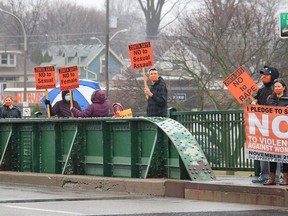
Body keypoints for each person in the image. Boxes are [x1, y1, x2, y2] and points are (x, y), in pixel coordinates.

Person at [251, 66, 281, 184]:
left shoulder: (276, 90)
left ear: (272, 77)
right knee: (262, 151)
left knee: (275, 152)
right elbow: (255, 101)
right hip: (262, 125)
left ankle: (276, 176)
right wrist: (253, 102)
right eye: (263, 75)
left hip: (274, 126)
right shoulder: (261, 90)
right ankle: (264, 176)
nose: (263, 77)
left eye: (266, 75)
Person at [264, 79, 288, 185]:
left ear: (284, 87)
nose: (276, 88)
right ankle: (272, 177)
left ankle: (286, 177)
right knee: (272, 154)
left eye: (279, 86)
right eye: (275, 87)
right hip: (272, 130)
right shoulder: (270, 98)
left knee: (285, 154)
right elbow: (264, 111)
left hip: (284, 130)